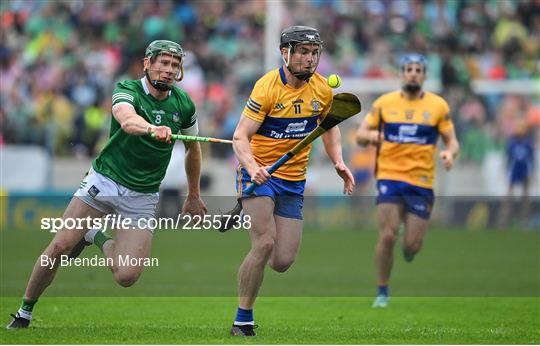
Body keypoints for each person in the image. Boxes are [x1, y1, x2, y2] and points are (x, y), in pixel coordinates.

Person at [6, 40, 207, 329]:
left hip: (143, 194)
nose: (169, 70)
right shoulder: (126, 89)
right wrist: (153, 128)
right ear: (147, 63)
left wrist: (194, 194)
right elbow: (127, 120)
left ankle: (94, 236)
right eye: (163, 63)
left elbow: (193, 148)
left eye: (175, 65)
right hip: (105, 180)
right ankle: (25, 311)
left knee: (126, 276)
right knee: (60, 247)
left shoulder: (184, 104)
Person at [229, 26, 354, 336]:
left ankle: (247, 216)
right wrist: (252, 166)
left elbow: (330, 127)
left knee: (282, 261)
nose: (309, 59)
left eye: (314, 53)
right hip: (259, 173)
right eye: (302, 52)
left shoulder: (323, 90)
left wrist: (338, 160)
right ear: (285, 53)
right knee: (265, 242)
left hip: (293, 180)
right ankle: (242, 319)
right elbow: (240, 136)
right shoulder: (266, 88)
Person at [356, 54, 459, 308]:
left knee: (412, 245)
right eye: (408, 69)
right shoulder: (384, 104)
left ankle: (409, 247)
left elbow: (452, 140)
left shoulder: (438, 106)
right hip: (389, 176)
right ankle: (382, 292)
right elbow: (360, 135)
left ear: (424, 75)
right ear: (401, 74)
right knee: (388, 235)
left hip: (421, 180)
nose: (413, 73)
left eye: (418, 69)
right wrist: (374, 136)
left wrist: (449, 153)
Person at [498, 120, 535, 228]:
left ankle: (525, 220)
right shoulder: (512, 143)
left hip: (524, 170)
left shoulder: (528, 143)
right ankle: (504, 219)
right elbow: (508, 159)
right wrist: (505, 171)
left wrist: (532, 172)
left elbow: (531, 160)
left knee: (525, 195)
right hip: (514, 170)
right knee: (509, 195)